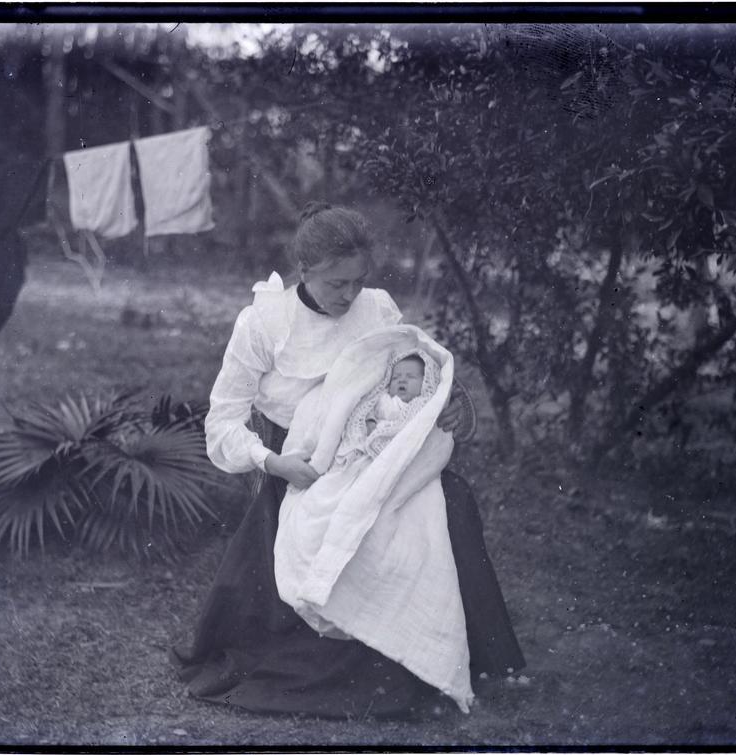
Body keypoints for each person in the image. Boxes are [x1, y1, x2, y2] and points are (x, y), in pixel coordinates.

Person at [172, 202, 524, 718]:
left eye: (358, 281)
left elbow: (414, 372)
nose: (349, 295)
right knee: (334, 532)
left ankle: (458, 652)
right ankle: (354, 663)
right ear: (305, 269)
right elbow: (222, 422)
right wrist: (272, 462)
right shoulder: (265, 323)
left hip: (378, 453)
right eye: (337, 283)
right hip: (304, 466)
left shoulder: (376, 309)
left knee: (453, 501)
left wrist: (446, 403)